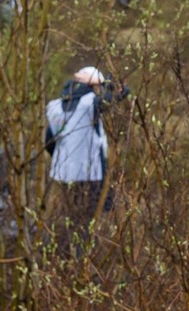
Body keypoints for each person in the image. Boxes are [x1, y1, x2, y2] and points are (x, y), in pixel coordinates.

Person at [45, 66, 129, 252]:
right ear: (93, 86)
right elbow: (104, 103)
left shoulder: (56, 107)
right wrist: (120, 92)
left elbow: (48, 141)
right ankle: (81, 256)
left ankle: (67, 254)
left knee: (70, 218)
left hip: (63, 174)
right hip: (89, 174)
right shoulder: (88, 103)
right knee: (86, 221)